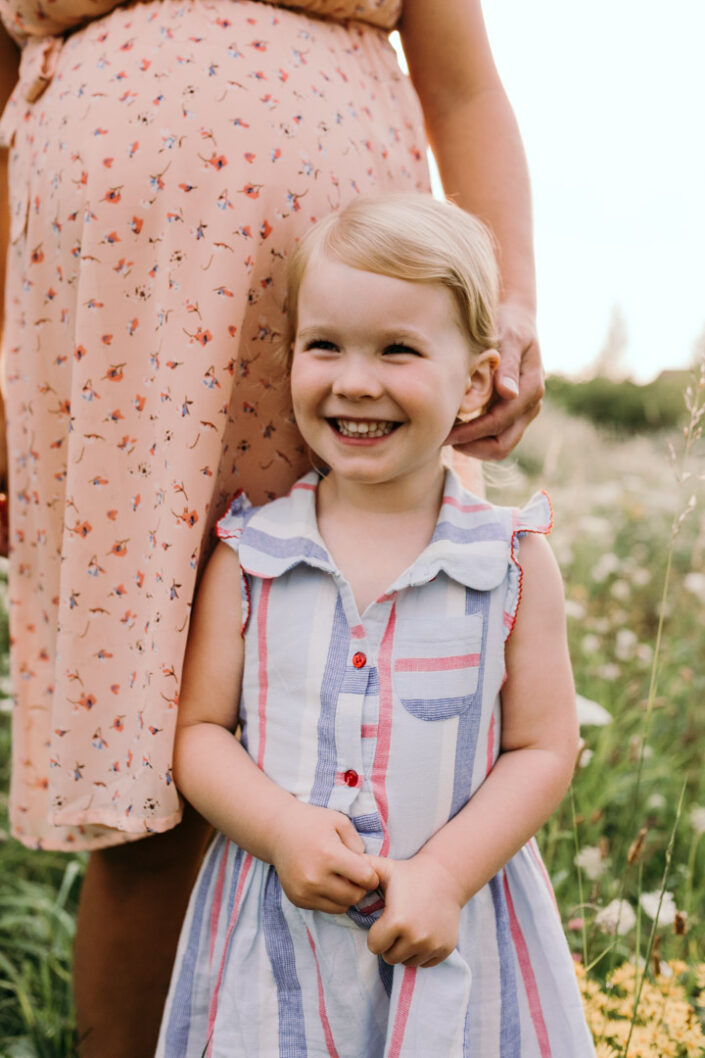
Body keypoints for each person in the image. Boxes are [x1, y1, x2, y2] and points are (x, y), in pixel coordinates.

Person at [0, 2, 545, 1053]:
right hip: (105, 343)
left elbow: (465, 85)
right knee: (145, 784)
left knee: (379, 745)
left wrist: (510, 302)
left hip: (332, 287)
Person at [155, 194, 595, 1057]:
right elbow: (200, 733)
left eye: (397, 349)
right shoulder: (250, 555)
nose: (355, 381)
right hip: (279, 945)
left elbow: (545, 747)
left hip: (454, 931)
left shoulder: (507, 561)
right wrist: (278, 828)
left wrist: (442, 875)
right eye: (325, 346)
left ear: (474, 381)